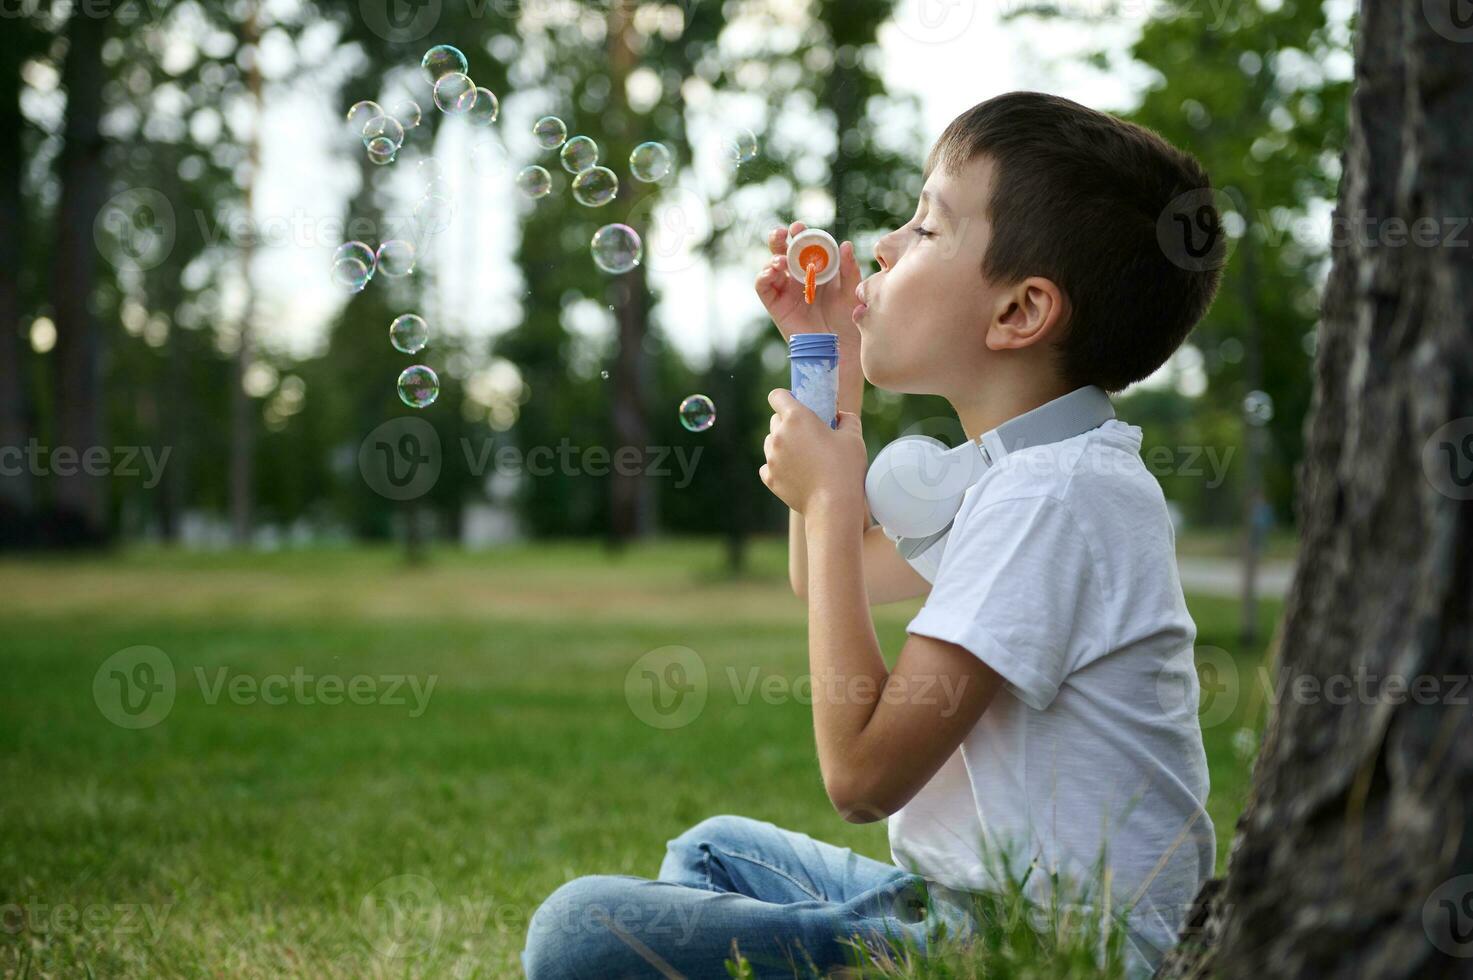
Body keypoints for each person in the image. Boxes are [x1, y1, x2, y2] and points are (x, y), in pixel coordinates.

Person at [523, 91, 1223, 979]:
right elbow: (834, 575)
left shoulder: (1054, 498)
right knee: (710, 851)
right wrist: (826, 367)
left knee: (576, 932)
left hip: (1036, 951)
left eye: (926, 228)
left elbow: (860, 778)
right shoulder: (1035, 468)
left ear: (1019, 313)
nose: (884, 247)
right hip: (962, 907)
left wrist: (826, 500)